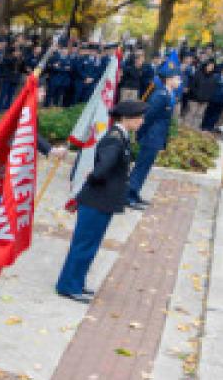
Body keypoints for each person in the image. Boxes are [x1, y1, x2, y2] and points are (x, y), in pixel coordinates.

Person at [56, 100, 146, 303]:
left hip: (102, 201)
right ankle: (68, 286)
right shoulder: (115, 139)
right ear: (126, 118)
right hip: (96, 200)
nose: (142, 121)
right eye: (139, 117)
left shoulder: (121, 136)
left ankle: (76, 282)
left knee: (90, 244)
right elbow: (103, 168)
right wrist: (93, 177)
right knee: (84, 245)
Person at [127, 66, 179, 210]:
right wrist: (140, 134)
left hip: (156, 137)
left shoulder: (168, 94)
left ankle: (134, 192)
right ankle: (128, 196)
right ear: (169, 80)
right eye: (177, 78)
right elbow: (148, 117)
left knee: (145, 167)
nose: (179, 81)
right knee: (141, 167)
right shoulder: (160, 95)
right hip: (151, 136)